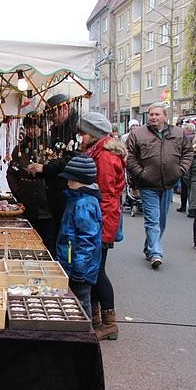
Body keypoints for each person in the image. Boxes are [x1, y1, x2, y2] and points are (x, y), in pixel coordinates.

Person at [76, 112, 126, 341]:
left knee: (98, 272)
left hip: (103, 221)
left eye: (82, 133)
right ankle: (97, 317)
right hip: (101, 220)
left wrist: (101, 230)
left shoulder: (104, 156)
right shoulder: (99, 151)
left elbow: (105, 196)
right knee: (93, 271)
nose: (79, 137)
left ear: (93, 133)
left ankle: (109, 323)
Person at [126, 102, 193, 269]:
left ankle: (149, 247)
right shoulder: (139, 134)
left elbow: (188, 153)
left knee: (161, 220)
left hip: (169, 183)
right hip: (148, 183)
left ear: (165, 116)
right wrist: (141, 173)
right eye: (151, 114)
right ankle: (156, 253)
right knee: (152, 219)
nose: (153, 117)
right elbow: (129, 156)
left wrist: (181, 170)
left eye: (157, 114)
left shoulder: (178, 133)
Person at [26, 93, 79, 241]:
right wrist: (41, 169)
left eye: (53, 114)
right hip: (54, 193)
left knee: (64, 237)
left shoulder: (76, 129)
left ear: (65, 109)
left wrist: (44, 169)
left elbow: (71, 160)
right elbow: (56, 158)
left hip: (66, 193)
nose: (51, 118)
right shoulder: (57, 129)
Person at [55, 154, 102, 320]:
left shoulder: (84, 203)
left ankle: (85, 332)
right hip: (72, 262)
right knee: (78, 301)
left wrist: (79, 269)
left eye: (71, 180)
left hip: (79, 267)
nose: (68, 183)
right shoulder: (77, 199)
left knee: (81, 302)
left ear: (82, 181)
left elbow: (87, 240)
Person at [7, 116, 55, 251]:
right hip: (27, 203)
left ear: (40, 127)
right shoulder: (19, 150)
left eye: (33, 127)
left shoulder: (49, 147)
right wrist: (18, 192)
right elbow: (11, 173)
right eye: (28, 127)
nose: (30, 131)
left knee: (48, 243)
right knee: (27, 242)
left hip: (47, 204)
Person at [176, 122, 196, 216]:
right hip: (194, 165)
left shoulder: (185, 139)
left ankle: (184, 206)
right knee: (190, 188)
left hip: (185, 165)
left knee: (185, 187)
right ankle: (192, 208)